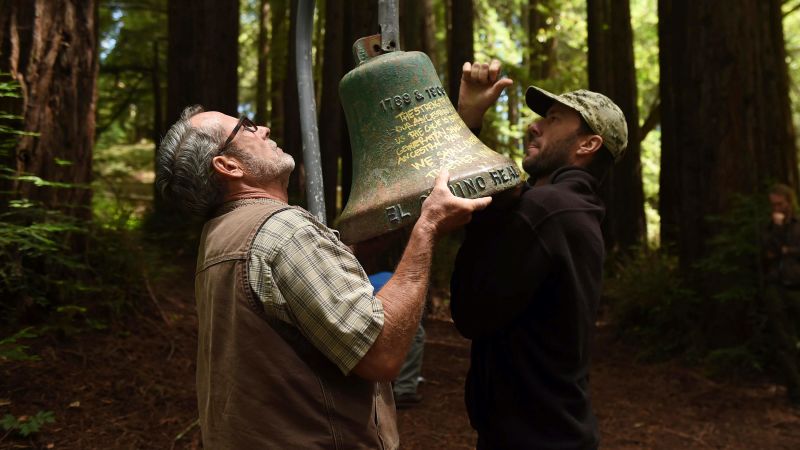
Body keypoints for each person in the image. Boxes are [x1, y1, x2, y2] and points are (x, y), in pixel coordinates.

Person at [155, 106, 491, 448]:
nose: (265, 129)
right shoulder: (284, 231)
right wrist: (428, 228)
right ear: (229, 166)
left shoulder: (217, 238)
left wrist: (351, 252)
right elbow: (380, 353)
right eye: (247, 127)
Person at [449, 60, 628, 449]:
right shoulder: (566, 210)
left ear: (588, 144)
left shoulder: (548, 212)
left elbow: (471, 312)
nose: (535, 125)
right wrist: (468, 119)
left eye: (553, 119)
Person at [763, 183, 800, 406]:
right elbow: (767, 253)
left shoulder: (798, 226)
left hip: (797, 287)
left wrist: (789, 251)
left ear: (789, 202)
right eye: (774, 205)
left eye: (781, 203)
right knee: (784, 342)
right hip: (776, 288)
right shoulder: (769, 228)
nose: (778, 208)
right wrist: (777, 232)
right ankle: (795, 391)